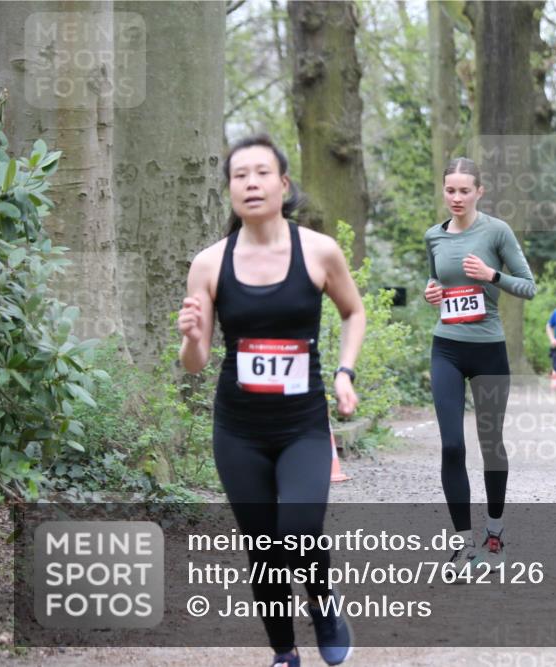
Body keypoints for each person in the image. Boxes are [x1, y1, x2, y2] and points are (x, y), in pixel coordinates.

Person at [178, 134, 365, 667]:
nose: (251, 183)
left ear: (284, 184)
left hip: (303, 425)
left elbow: (354, 313)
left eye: (262, 173)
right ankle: (284, 652)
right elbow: (195, 361)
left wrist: (344, 372)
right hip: (238, 430)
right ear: (231, 190)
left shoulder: (319, 251)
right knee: (263, 548)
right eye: (240, 175)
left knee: (297, 532)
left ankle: (324, 606)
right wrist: (192, 337)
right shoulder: (210, 263)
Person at [423, 157, 537, 577]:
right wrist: (430, 293)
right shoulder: (433, 236)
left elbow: (528, 286)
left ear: (479, 192)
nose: (456, 197)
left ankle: (494, 533)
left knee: (491, 445)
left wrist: (492, 275)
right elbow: (437, 283)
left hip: (488, 349)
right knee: (452, 445)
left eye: (464, 191)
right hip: (447, 349)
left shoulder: (497, 231)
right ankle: (462, 544)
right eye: (449, 190)